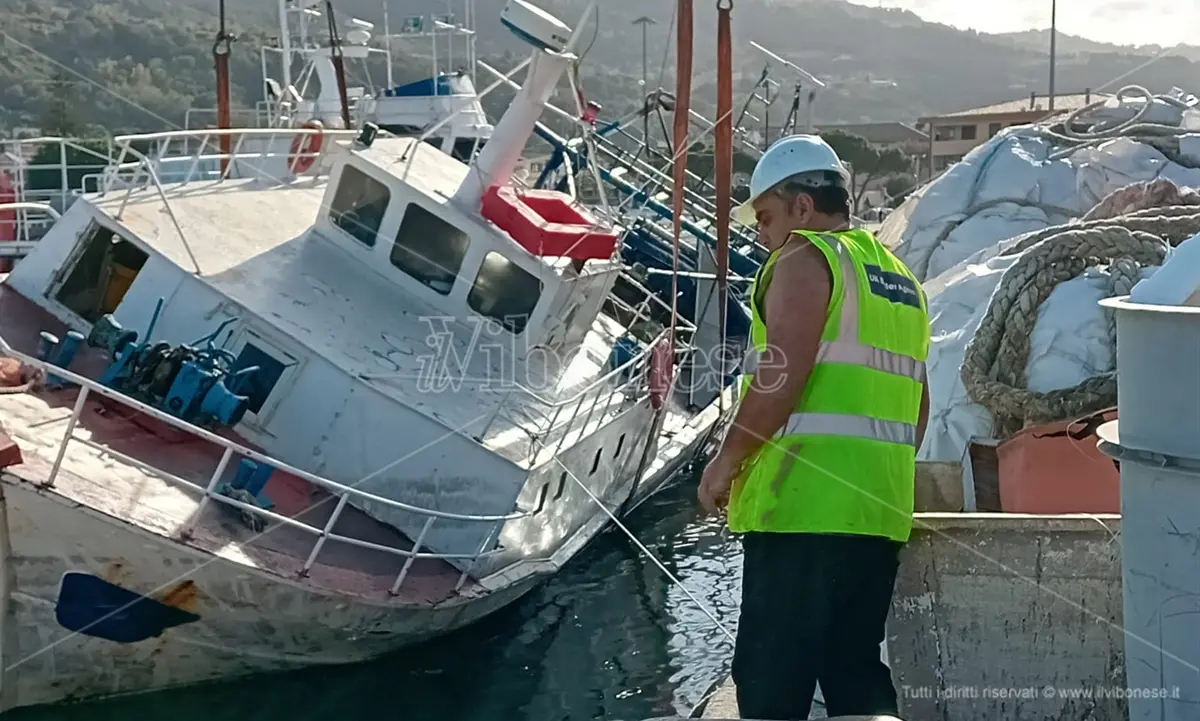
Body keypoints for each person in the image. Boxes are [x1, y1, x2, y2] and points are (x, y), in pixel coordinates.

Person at [698, 134, 931, 720]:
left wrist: (726, 462)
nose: (763, 235)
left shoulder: (805, 259)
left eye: (768, 217)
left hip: (804, 512)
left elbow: (779, 378)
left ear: (802, 208)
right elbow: (917, 405)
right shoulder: (899, 279)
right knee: (853, 670)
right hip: (877, 514)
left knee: (771, 679)